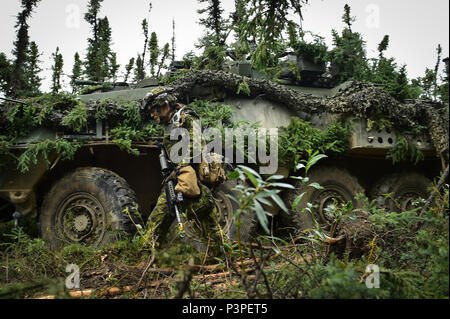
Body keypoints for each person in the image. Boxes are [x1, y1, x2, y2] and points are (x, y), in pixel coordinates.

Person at [143, 87, 223, 255]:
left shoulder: (186, 116)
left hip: (193, 175)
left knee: (207, 217)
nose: (152, 115)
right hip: (179, 176)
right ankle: (147, 258)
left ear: (163, 105)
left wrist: (183, 166)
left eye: (153, 110)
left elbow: (196, 144)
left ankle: (221, 259)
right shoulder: (168, 125)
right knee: (158, 218)